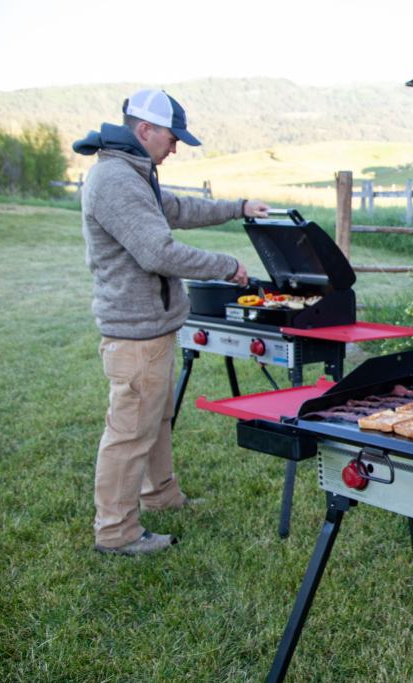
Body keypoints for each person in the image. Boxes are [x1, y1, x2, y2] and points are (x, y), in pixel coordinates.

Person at [73, 89, 270, 556]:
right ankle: (117, 532)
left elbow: (178, 211)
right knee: (130, 431)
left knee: (155, 419)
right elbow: (158, 251)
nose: (175, 146)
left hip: (152, 327)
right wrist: (225, 265)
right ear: (144, 130)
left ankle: (160, 495)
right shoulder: (116, 181)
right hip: (134, 333)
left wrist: (238, 207)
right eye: (171, 136)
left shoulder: (134, 174)